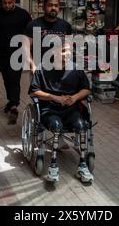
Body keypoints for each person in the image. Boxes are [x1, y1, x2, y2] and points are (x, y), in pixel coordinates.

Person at [29, 42, 94, 183]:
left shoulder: (76, 69)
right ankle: (53, 165)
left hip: (71, 110)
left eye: (70, 51)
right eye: (65, 51)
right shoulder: (43, 69)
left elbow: (86, 89)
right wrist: (55, 98)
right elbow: (34, 91)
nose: (69, 54)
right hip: (50, 109)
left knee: (81, 125)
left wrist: (75, 98)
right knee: (56, 125)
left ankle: (82, 163)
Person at [0, 0, 32, 124]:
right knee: (6, 77)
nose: (7, 5)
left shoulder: (23, 14)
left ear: (14, 2)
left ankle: (14, 105)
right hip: (2, 52)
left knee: (14, 77)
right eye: (5, 3)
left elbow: (30, 31)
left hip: (18, 53)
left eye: (10, 3)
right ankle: (11, 101)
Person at [25, 0, 72, 73]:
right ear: (43, 7)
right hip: (39, 69)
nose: (53, 8)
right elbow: (26, 48)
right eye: (50, 5)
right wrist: (32, 65)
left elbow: (68, 48)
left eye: (56, 5)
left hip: (60, 69)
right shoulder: (33, 25)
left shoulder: (66, 26)